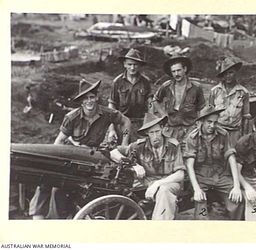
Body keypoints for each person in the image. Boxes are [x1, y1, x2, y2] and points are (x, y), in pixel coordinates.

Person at [29, 79, 131, 219]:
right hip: (72, 155)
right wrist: (56, 161)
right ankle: (38, 214)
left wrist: (124, 143)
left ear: (97, 98)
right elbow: (59, 141)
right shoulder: (72, 118)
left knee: (60, 188)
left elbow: (126, 121)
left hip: (95, 157)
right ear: (81, 101)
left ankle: (61, 216)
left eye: (92, 97)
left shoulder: (107, 114)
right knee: (48, 177)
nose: (89, 101)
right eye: (85, 98)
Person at [110, 113, 186, 220]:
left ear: (162, 129)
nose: (155, 136)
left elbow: (180, 175)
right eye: (152, 133)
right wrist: (134, 165)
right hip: (145, 184)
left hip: (168, 183)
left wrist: (157, 184)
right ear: (147, 133)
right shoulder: (139, 146)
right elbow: (113, 152)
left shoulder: (173, 146)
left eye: (157, 131)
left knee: (164, 191)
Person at [184, 105, 244, 220]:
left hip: (220, 175)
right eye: (209, 122)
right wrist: (196, 189)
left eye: (215, 122)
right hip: (201, 177)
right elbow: (189, 165)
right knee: (201, 205)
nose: (212, 126)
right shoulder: (193, 138)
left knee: (237, 200)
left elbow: (231, 158)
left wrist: (236, 186)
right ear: (201, 122)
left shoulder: (223, 134)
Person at [153, 54, 206, 146]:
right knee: (171, 155)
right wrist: (163, 114)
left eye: (178, 70)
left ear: (184, 69)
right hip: (171, 128)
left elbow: (201, 107)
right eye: (173, 71)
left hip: (190, 128)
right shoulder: (166, 86)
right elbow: (155, 100)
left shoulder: (196, 87)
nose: (176, 74)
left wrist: (200, 125)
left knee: (190, 154)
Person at [108, 48, 153, 143]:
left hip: (139, 124)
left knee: (138, 150)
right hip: (122, 124)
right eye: (130, 64)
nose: (132, 68)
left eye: (135, 65)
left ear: (140, 65)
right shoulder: (117, 82)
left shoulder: (146, 82)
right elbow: (112, 106)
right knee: (122, 149)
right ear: (124, 64)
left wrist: (149, 124)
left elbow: (150, 105)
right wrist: (112, 129)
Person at [209, 57, 251, 147]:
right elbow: (209, 114)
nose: (228, 76)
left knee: (234, 157)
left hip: (235, 133)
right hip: (218, 131)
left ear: (236, 73)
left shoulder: (243, 92)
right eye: (225, 74)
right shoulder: (215, 91)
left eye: (231, 72)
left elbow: (246, 117)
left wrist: (245, 138)